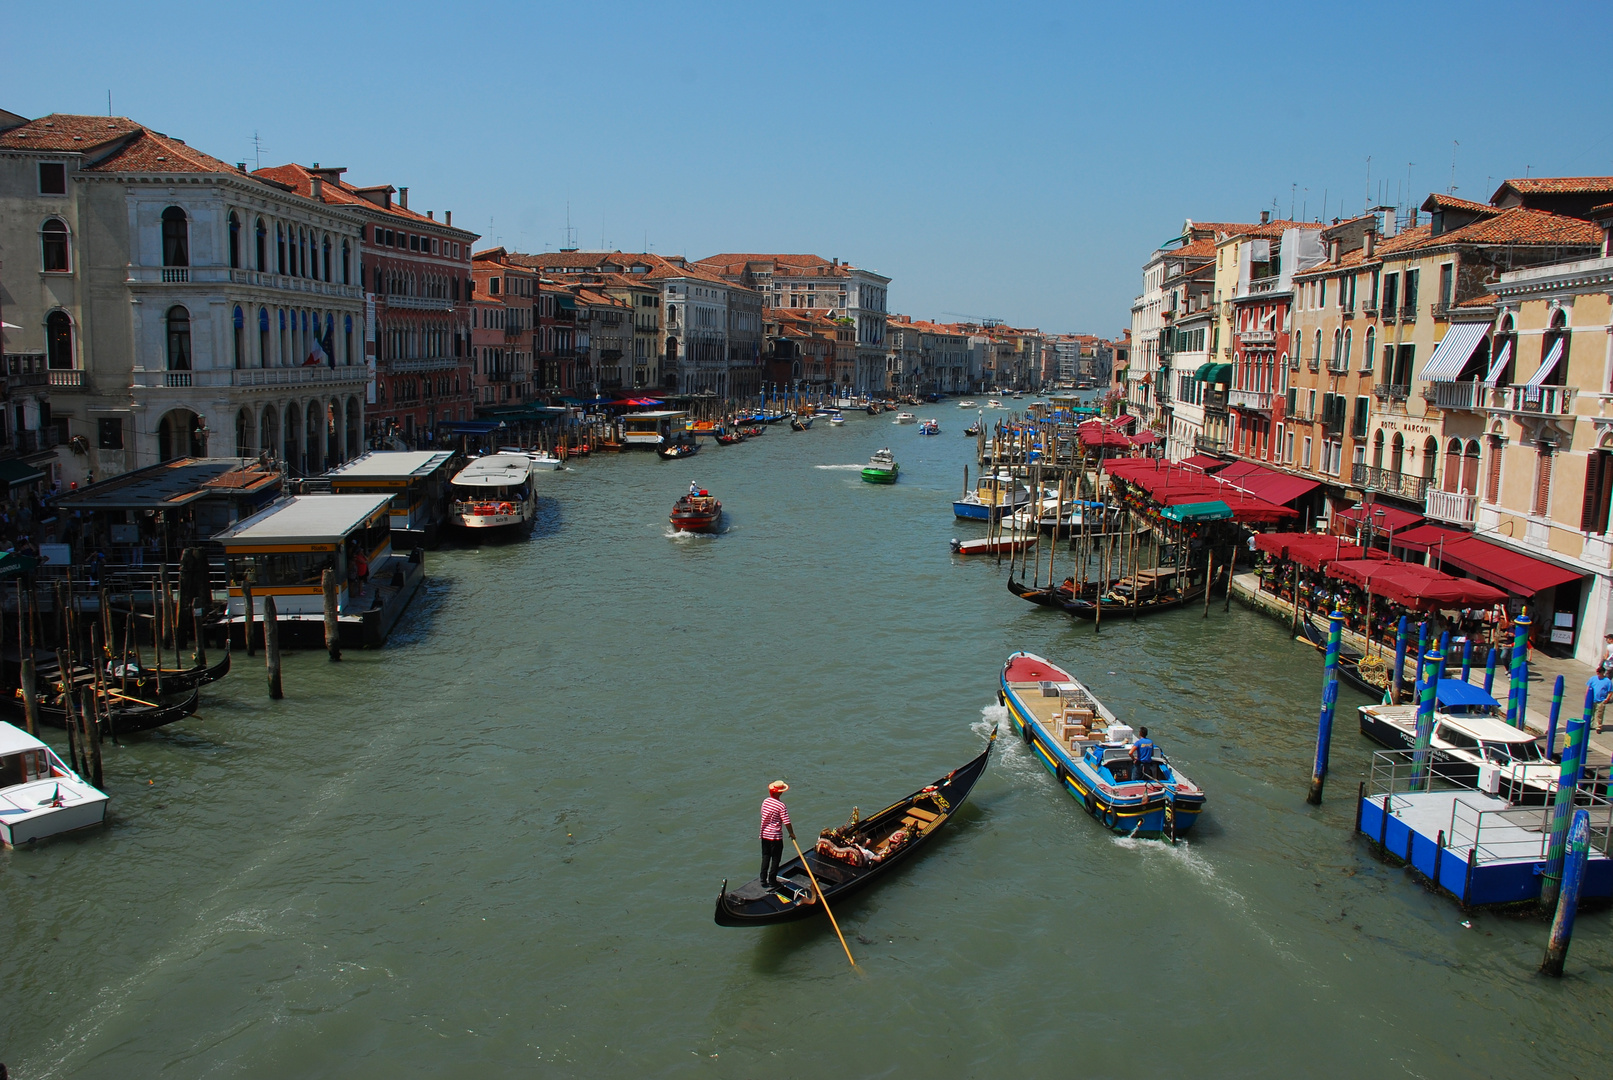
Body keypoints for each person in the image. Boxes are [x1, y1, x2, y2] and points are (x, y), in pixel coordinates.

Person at [759, 781, 795, 890]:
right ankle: (772, 881)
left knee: (765, 856)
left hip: (764, 834)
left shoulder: (765, 801)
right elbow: (787, 822)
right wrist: (791, 833)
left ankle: (762, 879)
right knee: (775, 859)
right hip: (775, 837)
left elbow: (763, 814)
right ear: (780, 793)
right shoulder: (781, 806)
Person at [1592, 667, 1613, 734]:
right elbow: (1589, 687)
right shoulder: (1593, 678)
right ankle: (1591, 724)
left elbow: (1610, 691)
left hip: (1601, 700)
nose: (1597, 674)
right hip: (1592, 699)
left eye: (1599, 673)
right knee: (1591, 712)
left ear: (1602, 673)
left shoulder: (1607, 681)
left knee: (1599, 714)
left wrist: (1607, 699)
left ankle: (1599, 726)